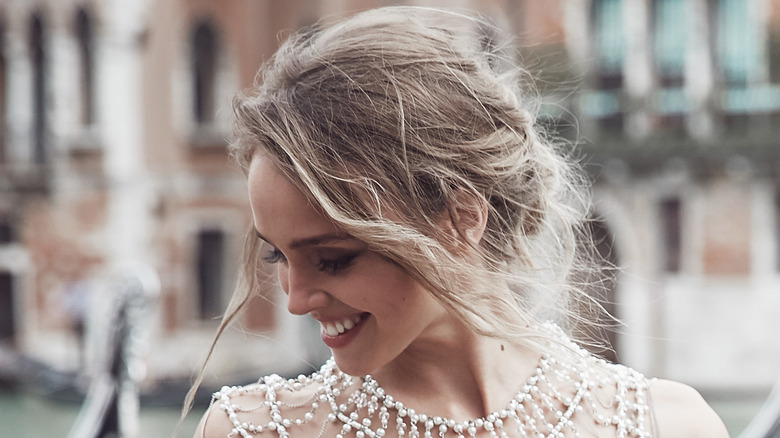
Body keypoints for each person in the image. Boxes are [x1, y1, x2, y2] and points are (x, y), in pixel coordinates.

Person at [186, 6, 728, 437]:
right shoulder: (248, 431)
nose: (296, 300)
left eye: (333, 258)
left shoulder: (668, 426)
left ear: (461, 218)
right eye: (278, 255)